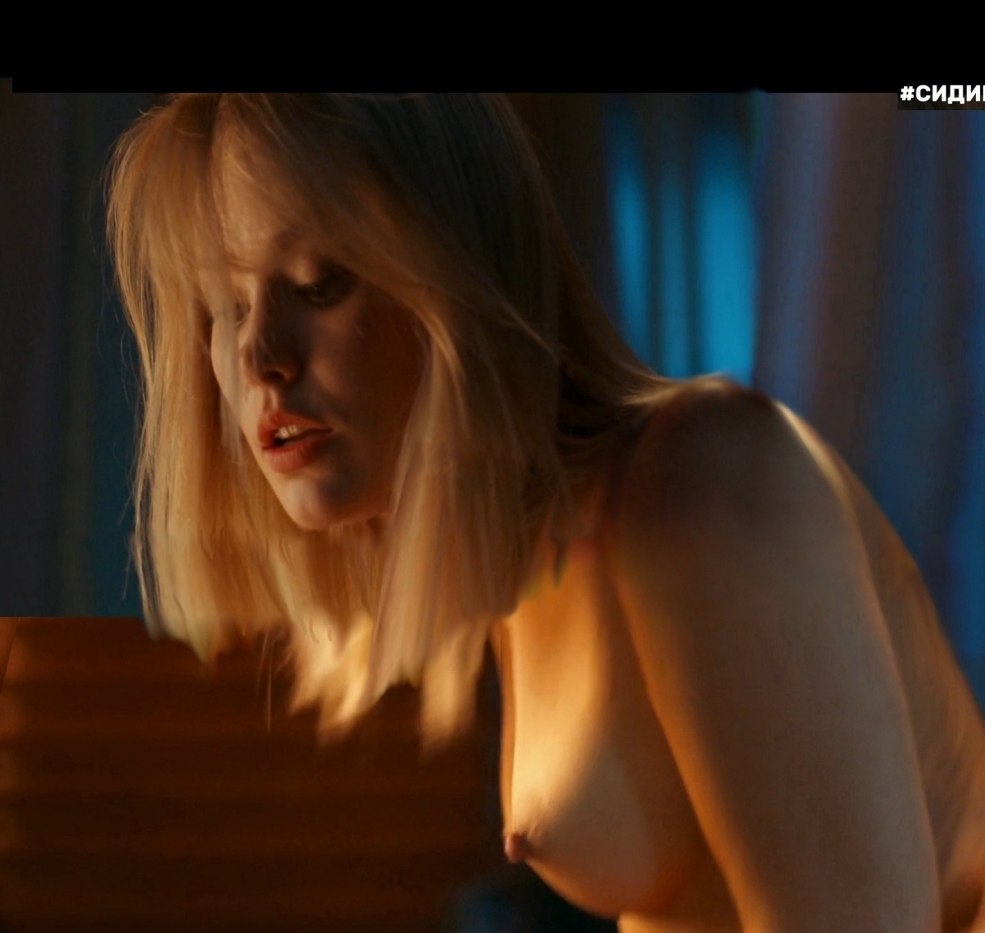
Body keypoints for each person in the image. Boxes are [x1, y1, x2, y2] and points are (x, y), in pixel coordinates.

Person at [107, 93, 985, 932]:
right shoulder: (527, 554)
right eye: (225, 307)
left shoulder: (702, 478)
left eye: (317, 281)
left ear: (458, 272)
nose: (258, 355)